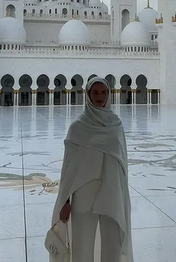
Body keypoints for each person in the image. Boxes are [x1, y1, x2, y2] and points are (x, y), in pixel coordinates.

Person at [49, 76, 133, 262]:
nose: (99, 96)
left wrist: (124, 198)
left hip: (111, 193)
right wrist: (65, 201)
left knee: (113, 245)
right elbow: (68, 169)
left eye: (103, 92)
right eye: (95, 92)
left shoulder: (116, 126)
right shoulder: (77, 128)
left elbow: (122, 165)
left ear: (109, 94)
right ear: (87, 95)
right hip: (83, 195)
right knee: (81, 246)